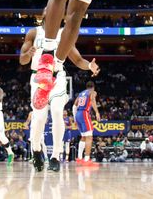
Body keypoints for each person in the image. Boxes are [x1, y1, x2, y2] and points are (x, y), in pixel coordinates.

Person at [19, 15, 100, 172]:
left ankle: (55, 156)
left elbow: (77, 60)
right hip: (38, 77)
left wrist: (90, 65)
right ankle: (36, 150)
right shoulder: (33, 33)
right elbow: (22, 60)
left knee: (57, 112)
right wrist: (29, 54)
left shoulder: (64, 34)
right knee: (40, 117)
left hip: (58, 76)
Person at [73, 81, 101, 167]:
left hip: (78, 114)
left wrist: (75, 118)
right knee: (89, 137)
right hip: (84, 113)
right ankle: (86, 159)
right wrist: (97, 112)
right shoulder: (92, 92)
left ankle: (79, 158)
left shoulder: (81, 93)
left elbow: (74, 105)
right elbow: (92, 100)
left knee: (84, 137)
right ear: (93, 87)